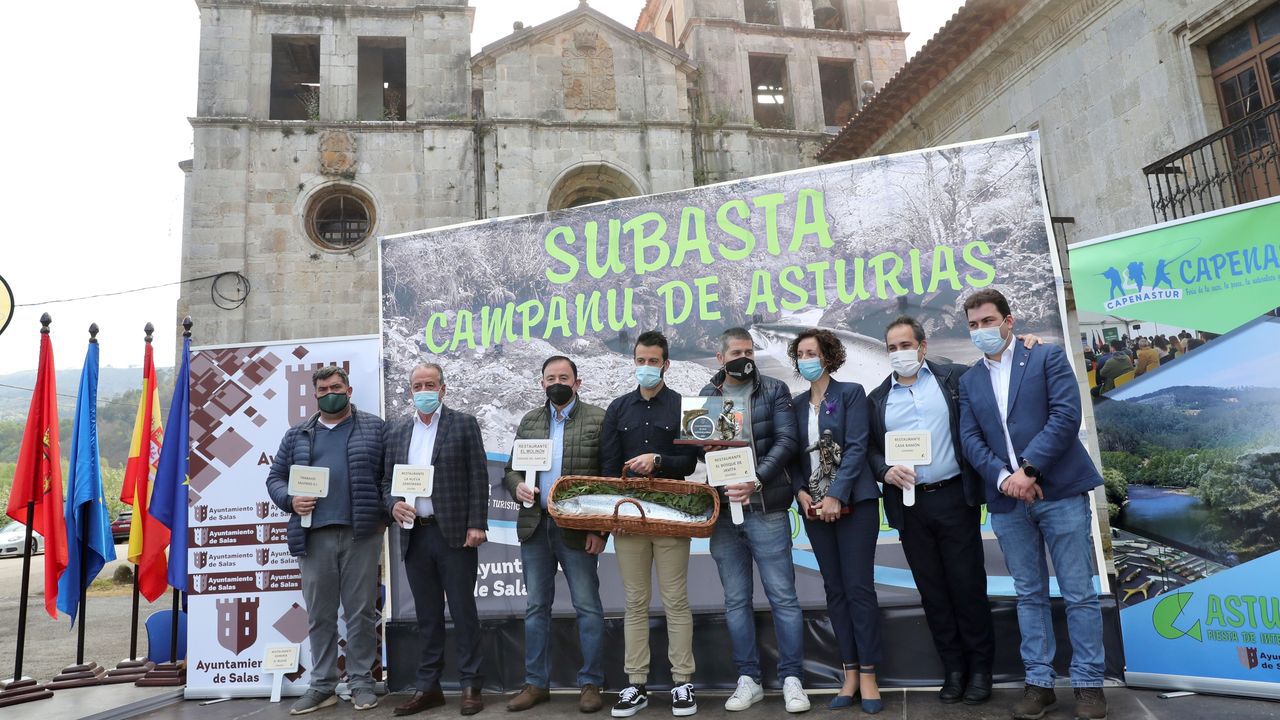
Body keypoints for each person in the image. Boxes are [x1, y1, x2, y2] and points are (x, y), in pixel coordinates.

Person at [867, 317, 1043, 706]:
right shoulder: (877, 399)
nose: (899, 353)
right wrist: (884, 470)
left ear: (923, 346)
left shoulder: (955, 380)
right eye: (892, 347)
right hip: (909, 505)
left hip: (953, 498)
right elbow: (869, 449)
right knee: (933, 592)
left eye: (905, 345)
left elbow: (1000, 377)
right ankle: (954, 670)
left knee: (967, 587)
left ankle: (981, 670)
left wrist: (1028, 345)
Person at [957, 289, 1108, 720]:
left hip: (1058, 492)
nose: (982, 330)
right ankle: (1039, 683)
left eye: (988, 321)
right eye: (973, 325)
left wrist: (1030, 470)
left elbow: (1065, 415)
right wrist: (1006, 480)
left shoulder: (1045, 357)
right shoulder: (969, 381)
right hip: (1007, 502)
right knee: (1029, 595)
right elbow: (970, 439)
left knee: (1079, 592)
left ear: (1008, 320)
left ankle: (1088, 685)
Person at [265, 366, 385, 715]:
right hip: (313, 535)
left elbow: (387, 477)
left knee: (361, 612)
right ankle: (322, 685)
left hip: (361, 533)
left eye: (336, 386)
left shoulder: (375, 429)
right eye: (323, 388)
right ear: (314, 394)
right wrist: (290, 499)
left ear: (348, 390)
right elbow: (275, 478)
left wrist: (383, 513)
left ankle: (362, 682)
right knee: (320, 614)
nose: (330, 392)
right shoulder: (297, 435)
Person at [699, 327, 807, 714]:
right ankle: (749, 679)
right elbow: (701, 454)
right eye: (736, 352)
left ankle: (792, 678)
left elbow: (787, 441)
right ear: (721, 357)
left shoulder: (774, 389)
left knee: (783, 597)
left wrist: (755, 479)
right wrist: (703, 449)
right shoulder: (707, 396)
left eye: (749, 350)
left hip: (767, 508)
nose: (743, 357)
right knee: (734, 600)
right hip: (724, 513)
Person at [601, 331, 700, 718]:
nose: (646, 366)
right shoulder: (618, 409)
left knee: (675, 599)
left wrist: (658, 459)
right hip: (629, 518)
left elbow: (690, 464)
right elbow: (609, 469)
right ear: (634, 362)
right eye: (640, 360)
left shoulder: (684, 405)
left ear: (666, 364)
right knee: (634, 601)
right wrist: (614, 516)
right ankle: (635, 683)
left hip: (671, 513)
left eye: (653, 361)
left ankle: (682, 681)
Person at [784, 329, 883, 714]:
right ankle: (850, 673)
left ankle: (871, 674)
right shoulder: (793, 405)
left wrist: (836, 494)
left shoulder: (851, 393)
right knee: (835, 590)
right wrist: (801, 492)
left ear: (828, 355)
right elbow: (791, 455)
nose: (806, 358)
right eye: (801, 353)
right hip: (813, 509)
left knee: (859, 589)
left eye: (813, 351)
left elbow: (858, 445)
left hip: (854, 503)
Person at [383, 363, 489, 717]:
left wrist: (477, 523)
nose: (424, 389)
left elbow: (478, 476)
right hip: (415, 536)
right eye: (418, 385)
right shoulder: (397, 431)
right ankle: (429, 687)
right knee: (427, 617)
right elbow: (386, 483)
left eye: (430, 384)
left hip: (455, 534)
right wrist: (393, 504)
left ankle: (471, 685)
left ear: (443, 389)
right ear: (410, 390)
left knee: (463, 612)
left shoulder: (463, 423)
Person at [503, 356, 608, 714]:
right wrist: (517, 487)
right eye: (551, 378)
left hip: (578, 527)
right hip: (536, 526)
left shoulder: (597, 418)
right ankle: (536, 683)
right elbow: (510, 471)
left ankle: (591, 683)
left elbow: (606, 479)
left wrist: (600, 528)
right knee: (536, 607)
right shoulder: (530, 420)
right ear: (541, 383)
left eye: (564, 377)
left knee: (587, 607)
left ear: (577, 382)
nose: (557, 382)